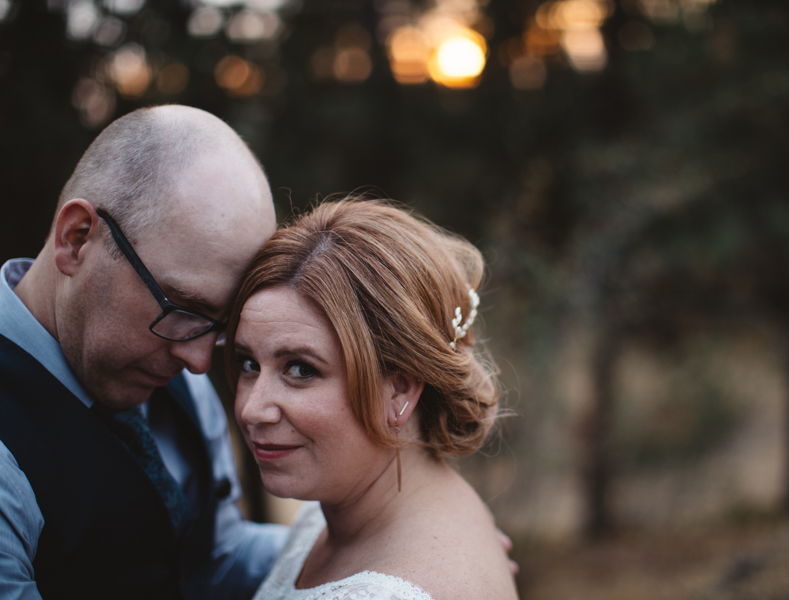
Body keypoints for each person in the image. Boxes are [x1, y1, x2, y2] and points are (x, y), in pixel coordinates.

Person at [0, 105, 288, 600]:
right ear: (77, 239)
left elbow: (212, 558)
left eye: (220, 325)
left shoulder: (173, 365)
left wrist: (370, 550)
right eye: (181, 307)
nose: (199, 363)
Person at [227, 199, 519, 600]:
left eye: (300, 369)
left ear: (399, 389)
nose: (251, 409)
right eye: (248, 363)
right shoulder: (339, 509)